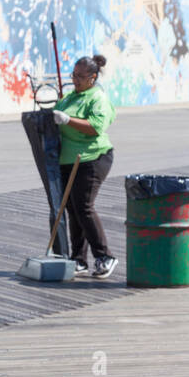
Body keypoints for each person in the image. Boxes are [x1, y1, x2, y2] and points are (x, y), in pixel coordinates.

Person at [51, 54, 117, 279]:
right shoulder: (69, 97)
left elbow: (96, 126)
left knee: (84, 206)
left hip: (92, 158)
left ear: (93, 77)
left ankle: (105, 256)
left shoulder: (97, 97)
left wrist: (68, 120)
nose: (75, 80)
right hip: (69, 160)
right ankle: (79, 259)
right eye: (74, 75)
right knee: (72, 208)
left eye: (81, 76)